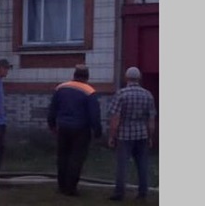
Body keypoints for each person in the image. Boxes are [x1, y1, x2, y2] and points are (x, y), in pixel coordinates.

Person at [47, 64, 102, 196]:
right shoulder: (89, 91)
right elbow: (94, 114)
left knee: (62, 157)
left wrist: (52, 125)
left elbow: (52, 109)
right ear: (87, 77)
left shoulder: (61, 88)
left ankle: (61, 186)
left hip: (63, 128)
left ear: (74, 75)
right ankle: (71, 188)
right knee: (76, 158)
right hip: (81, 130)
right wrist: (97, 131)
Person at [107, 66, 157, 201]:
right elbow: (151, 120)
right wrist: (150, 137)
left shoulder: (121, 94)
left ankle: (119, 193)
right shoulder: (148, 95)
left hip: (124, 135)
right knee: (142, 164)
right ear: (139, 78)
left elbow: (115, 119)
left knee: (122, 165)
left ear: (126, 78)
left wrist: (112, 136)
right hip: (142, 135)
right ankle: (142, 193)